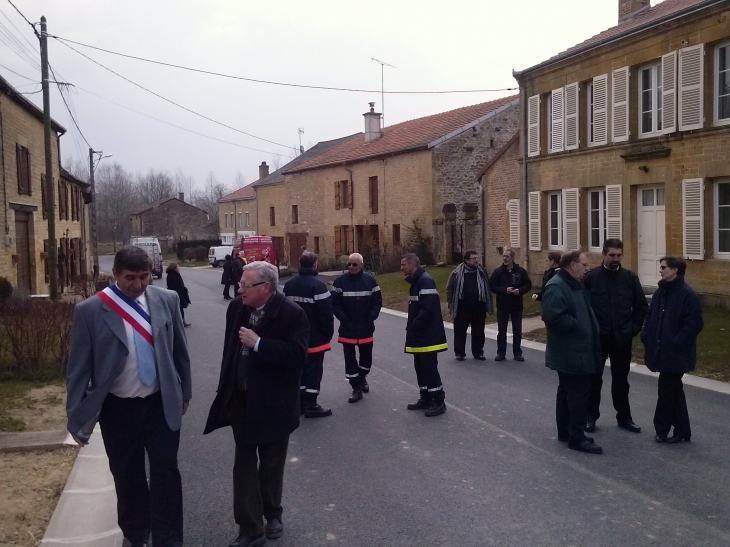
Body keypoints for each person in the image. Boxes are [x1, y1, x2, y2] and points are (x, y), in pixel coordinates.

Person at [66, 246, 192, 547]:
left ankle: (168, 539)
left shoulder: (167, 300)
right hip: (118, 409)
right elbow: (77, 369)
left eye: (144, 277)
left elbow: (180, 351)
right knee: (127, 474)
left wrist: (184, 391)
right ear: (115, 275)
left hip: (160, 405)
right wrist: (76, 417)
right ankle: (136, 534)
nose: (137, 285)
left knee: (166, 471)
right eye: (130, 278)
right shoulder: (91, 310)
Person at [204, 261, 308, 547]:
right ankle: (250, 528)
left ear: (265, 288)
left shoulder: (291, 314)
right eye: (240, 285)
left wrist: (259, 343)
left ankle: (273, 513)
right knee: (244, 466)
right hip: (242, 401)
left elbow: (297, 356)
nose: (240, 290)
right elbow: (229, 350)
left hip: (275, 405)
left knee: (272, 465)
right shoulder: (237, 308)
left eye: (245, 285)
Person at [582, 239, 648, 434]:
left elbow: (641, 307)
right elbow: (584, 306)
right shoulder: (591, 277)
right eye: (612, 255)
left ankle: (624, 417)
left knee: (621, 380)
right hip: (598, 338)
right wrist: (591, 330)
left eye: (619, 255)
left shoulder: (629, 278)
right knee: (594, 379)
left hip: (622, 338)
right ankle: (590, 416)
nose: (616, 259)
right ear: (603, 254)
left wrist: (633, 328)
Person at [541, 251, 603, 454]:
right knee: (578, 395)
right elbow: (553, 317)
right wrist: (578, 326)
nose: (587, 268)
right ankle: (576, 436)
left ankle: (566, 431)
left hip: (576, 349)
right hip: (571, 351)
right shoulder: (557, 286)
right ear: (572, 265)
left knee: (568, 391)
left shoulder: (573, 284)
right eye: (584, 264)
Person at [641, 256, 703, 444]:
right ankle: (683, 430)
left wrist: (676, 342)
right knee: (674, 391)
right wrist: (646, 333)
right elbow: (651, 316)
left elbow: (694, 324)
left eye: (664, 267)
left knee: (666, 391)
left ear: (676, 270)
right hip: (661, 349)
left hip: (675, 353)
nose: (660, 270)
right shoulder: (661, 293)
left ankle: (662, 429)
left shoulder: (687, 294)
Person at [283, 251, 335, 418]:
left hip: (295, 336)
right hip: (314, 336)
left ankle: (300, 404)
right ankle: (311, 404)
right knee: (314, 370)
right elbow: (326, 313)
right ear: (314, 264)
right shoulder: (318, 285)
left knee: (300, 370)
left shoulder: (289, 284)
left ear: (300, 263)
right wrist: (328, 333)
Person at [401, 253, 448, 417]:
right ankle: (426, 397)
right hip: (419, 335)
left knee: (429, 368)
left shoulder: (425, 281)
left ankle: (438, 400)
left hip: (427, 335)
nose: (401, 268)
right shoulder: (417, 281)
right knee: (420, 367)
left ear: (412, 265)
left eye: (403, 265)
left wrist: (414, 326)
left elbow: (427, 309)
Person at [331, 253, 382, 403]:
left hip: (366, 327)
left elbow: (377, 301)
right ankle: (356, 388)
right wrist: (345, 319)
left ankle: (362, 377)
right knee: (350, 359)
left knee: (366, 358)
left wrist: (370, 318)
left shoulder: (370, 280)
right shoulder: (340, 281)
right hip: (348, 327)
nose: (351, 267)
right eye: (349, 264)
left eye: (354, 264)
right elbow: (335, 303)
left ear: (361, 265)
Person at [445, 251, 493, 361]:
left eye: (477, 258)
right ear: (466, 260)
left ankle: (478, 352)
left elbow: (487, 286)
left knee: (479, 332)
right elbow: (449, 288)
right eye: (473, 258)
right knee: (460, 331)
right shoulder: (456, 273)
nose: (476, 260)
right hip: (462, 307)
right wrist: (450, 302)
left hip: (479, 307)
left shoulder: (481, 271)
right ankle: (460, 353)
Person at [489, 248, 532, 362]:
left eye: (507, 256)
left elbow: (528, 285)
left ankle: (517, 353)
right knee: (501, 331)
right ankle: (501, 353)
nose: (505, 258)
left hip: (516, 305)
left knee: (517, 330)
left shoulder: (520, 271)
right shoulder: (498, 272)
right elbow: (492, 286)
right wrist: (504, 290)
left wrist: (520, 290)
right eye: (503, 256)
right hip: (502, 305)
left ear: (513, 258)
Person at [166, 262, 191, 327]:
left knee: (180, 308)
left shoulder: (176, 274)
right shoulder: (171, 275)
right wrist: (179, 292)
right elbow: (173, 286)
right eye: (177, 267)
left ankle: (182, 321)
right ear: (174, 268)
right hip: (176, 294)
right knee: (178, 308)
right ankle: (180, 321)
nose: (178, 268)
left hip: (180, 293)